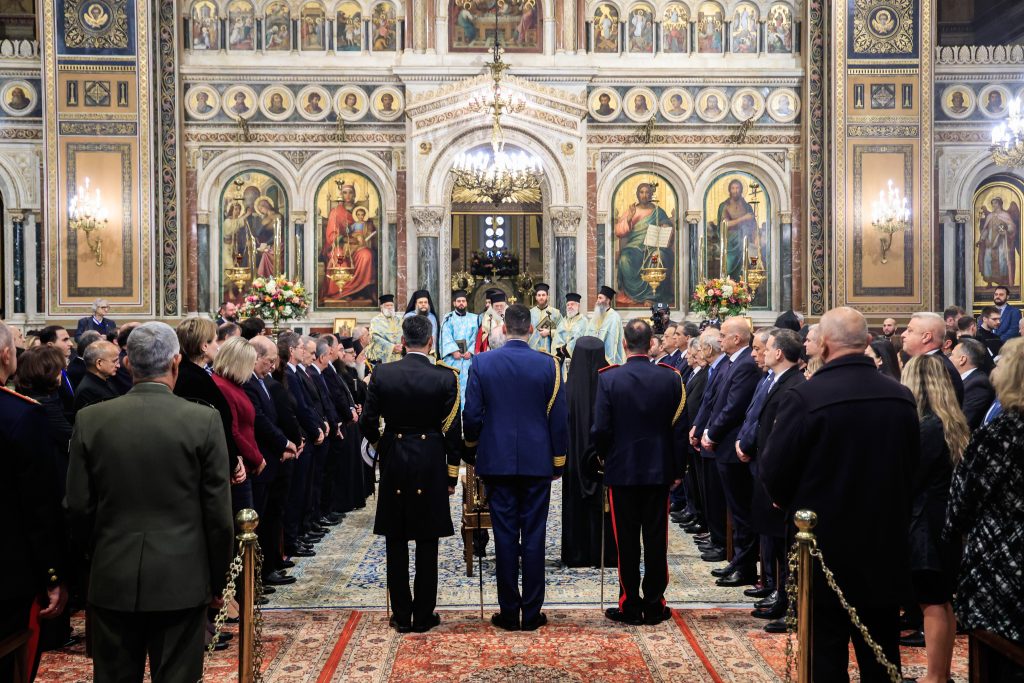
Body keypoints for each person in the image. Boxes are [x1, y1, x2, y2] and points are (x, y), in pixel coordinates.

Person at [759, 307, 920, 682]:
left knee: (824, 650)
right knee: (881, 647)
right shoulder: (900, 397)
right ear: (866, 343)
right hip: (884, 543)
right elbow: (912, 467)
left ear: (824, 346)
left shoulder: (805, 398)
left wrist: (789, 504)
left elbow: (773, 470)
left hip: (822, 546)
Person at [67, 322, 234, 683]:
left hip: (112, 573)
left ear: (127, 363)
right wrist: (219, 582)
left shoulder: (91, 420)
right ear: (176, 363)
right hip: (183, 576)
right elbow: (219, 515)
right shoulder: (203, 420)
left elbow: (78, 506)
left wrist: (93, 562)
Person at [463, 304, 568, 632]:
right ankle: (532, 613)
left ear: (504, 329)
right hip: (538, 462)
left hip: (497, 461)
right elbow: (559, 419)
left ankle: (510, 612)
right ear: (533, 330)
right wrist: (558, 462)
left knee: (505, 535)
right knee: (534, 535)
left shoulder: (482, 362)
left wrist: (473, 451)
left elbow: (471, 416)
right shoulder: (550, 365)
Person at [359, 315, 463, 633]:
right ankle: (423, 615)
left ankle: (402, 614)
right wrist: (451, 476)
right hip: (431, 459)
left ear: (402, 342)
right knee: (427, 540)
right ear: (430, 343)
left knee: (396, 538)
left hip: (395, 460)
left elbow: (366, 422)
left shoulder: (383, 374)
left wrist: (385, 447)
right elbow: (452, 432)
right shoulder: (446, 378)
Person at [590, 320, 685, 625]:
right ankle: (655, 604)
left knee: (626, 541)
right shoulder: (671, 378)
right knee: (657, 539)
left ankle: (630, 603)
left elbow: (600, 429)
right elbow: (679, 430)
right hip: (659, 470)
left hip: (622, 471)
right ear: (652, 344)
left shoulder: (609, 379)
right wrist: (677, 469)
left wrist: (606, 457)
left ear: (624, 345)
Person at [945, 337, 1024, 648]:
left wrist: (953, 532)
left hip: (1002, 555)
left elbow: (964, 498)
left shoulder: (1001, 433)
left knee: (998, 650)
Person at [0, 322, 67, 682]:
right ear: (7, 354)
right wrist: (53, 574)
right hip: (9, 570)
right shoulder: (22, 415)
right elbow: (38, 506)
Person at [900, 355, 969, 683]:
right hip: (941, 520)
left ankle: (936, 676)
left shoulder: (928, 426)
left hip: (926, 524)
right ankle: (939, 672)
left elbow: (911, 478)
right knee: (941, 601)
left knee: (933, 603)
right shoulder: (949, 421)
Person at [695, 317, 761, 586]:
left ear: (737, 338)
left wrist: (712, 432)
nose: (719, 340)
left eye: (723, 335)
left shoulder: (745, 365)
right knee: (734, 508)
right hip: (725, 446)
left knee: (741, 510)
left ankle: (745, 566)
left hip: (733, 446)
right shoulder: (735, 362)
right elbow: (715, 399)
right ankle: (738, 560)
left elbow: (733, 406)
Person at [244, 335, 299, 588]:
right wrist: (284, 443)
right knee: (263, 519)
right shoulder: (249, 383)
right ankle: (262, 572)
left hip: (273, 457)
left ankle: (271, 565)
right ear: (256, 358)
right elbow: (261, 420)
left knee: (273, 513)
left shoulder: (263, 380)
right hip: (263, 459)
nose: (273, 365)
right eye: (269, 360)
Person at [561, 336, 615, 568]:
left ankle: (577, 554)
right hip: (605, 459)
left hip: (574, 462)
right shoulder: (611, 383)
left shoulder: (566, 390)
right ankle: (606, 555)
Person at [174, 319, 242, 485]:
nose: (218, 346)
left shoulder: (190, 373)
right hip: (203, 466)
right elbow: (212, 424)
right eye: (214, 340)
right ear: (204, 346)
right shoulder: (193, 379)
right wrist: (232, 461)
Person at [211, 336, 266, 514]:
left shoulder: (234, 384)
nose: (252, 368)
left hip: (247, 463)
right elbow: (233, 431)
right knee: (245, 523)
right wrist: (257, 458)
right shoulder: (223, 386)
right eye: (250, 363)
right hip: (240, 468)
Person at [902, 312, 965, 405]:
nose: (903, 334)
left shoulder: (936, 368)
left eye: (909, 330)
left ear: (926, 337)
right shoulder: (929, 363)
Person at [439, 290, 477, 405]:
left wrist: (470, 351)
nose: (461, 303)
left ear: (466, 303)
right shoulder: (448, 319)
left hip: (468, 360)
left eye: (463, 301)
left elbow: (477, 337)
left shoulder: (475, 319)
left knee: (469, 389)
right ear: (454, 303)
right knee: (453, 389)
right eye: (459, 301)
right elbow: (446, 336)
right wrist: (453, 350)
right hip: (453, 360)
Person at [951, 338, 996, 431]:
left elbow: (963, 422)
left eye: (952, 355)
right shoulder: (965, 379)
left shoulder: (978, 385)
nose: (948, 358)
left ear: (962, 359)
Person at [73, 340, 120, 413]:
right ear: (99, 363)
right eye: (114, 361)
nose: (118, 365)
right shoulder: (86, 391)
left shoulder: (106, 378)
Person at [584, 285, 625, 366]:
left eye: (600, 298)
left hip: (606, 360)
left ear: (608, 300)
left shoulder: (614, 317)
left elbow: (612, 341)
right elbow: (588, 334)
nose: (597, 301)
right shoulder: (596, 316)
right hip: (593, 355)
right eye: (597, 298)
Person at [553, 292, 587, 368]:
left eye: (572, 304)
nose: (569, 307)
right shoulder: (563, 321)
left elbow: (579, 337)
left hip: (576, 358)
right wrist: (560, 348)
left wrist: (566, 348)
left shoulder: (583, 321)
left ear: (578, 305)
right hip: (562, 358)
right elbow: (557, 336)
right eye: (568, 305)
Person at [367, 294, 403, 366]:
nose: (390, 307)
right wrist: (392, 347)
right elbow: (375, 337)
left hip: (400, 354)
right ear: (382, 307)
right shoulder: (375, 321)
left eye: (391, 305)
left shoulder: (400, 319)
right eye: (387, 305)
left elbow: (406, 333)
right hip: (384, 357)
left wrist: (403, 346)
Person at [528, 283, 562, 354]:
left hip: (548, 351)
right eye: (539, 295)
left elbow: (562, 331)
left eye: (543, 295)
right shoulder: (530, 313)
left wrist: (549, 332)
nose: (541, 297)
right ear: (536, 297)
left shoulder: (555, 313)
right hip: (532, 350)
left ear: (547, 296)